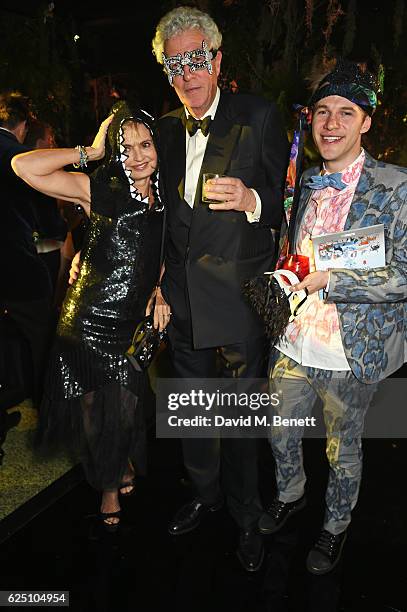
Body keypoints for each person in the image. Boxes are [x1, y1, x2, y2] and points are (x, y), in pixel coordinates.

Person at [152, 6, 289, 571]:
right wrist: (157, 285)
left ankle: (246, 513)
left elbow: (286, 207)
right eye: (174, 63)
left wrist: (253, 201)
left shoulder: (257, 116)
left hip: (237, 302)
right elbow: (157, 218)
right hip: (181, 305)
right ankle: (204, 497)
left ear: (217, 59)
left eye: (196, 59)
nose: (187, 73)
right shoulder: (159, 129)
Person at [257, 59, 407, 574]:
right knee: (280, 431)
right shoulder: (303, 182)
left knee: (342, 452)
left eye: (346, 113)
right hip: (292, 337)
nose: (331, 124)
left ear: (366, 122)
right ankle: (290, 495)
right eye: (322, 112)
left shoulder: (397, 187)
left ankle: (334, 526)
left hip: (347, 349)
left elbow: (404, 275)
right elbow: (293, 245)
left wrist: (331, 280)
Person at [12, 101, 168, 529]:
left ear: (158, 146)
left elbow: (163, 253)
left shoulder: (166, 196)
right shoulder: (99, 187)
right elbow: (24, 166)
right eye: (126, 146)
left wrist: (159, 289)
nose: (137, 155)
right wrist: (90, 153)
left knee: (127, 404)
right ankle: (109, 487)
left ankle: (117, 466)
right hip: (87, 320)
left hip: (130, 324)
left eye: (146, 144)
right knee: (95, 409)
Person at [0, 91, 53, 409]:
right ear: (22, 125)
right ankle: (48, 409)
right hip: (17, 267)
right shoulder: (19, 157)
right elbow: (45, 220)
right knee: (43, 341)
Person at [24, 119, 68, 298]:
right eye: (50, 140)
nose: (54, 145)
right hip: (44, 247)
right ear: (40, 142)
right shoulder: (44, 172)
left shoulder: (19, 167)